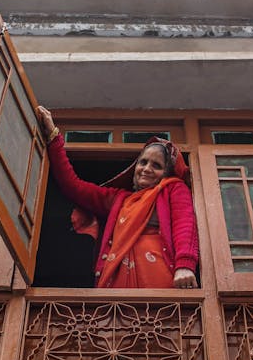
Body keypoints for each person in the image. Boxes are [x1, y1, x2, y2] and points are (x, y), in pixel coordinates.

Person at [36, 106, 199, 289]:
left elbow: (184, 225)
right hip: (117, 285)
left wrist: (185, 266)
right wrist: (53, 138)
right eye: (143, 162)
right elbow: (73, 186)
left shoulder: (173, 188)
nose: (146, 169)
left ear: (167, 173)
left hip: (160, 279)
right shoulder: (119, 199)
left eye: (156, 165)